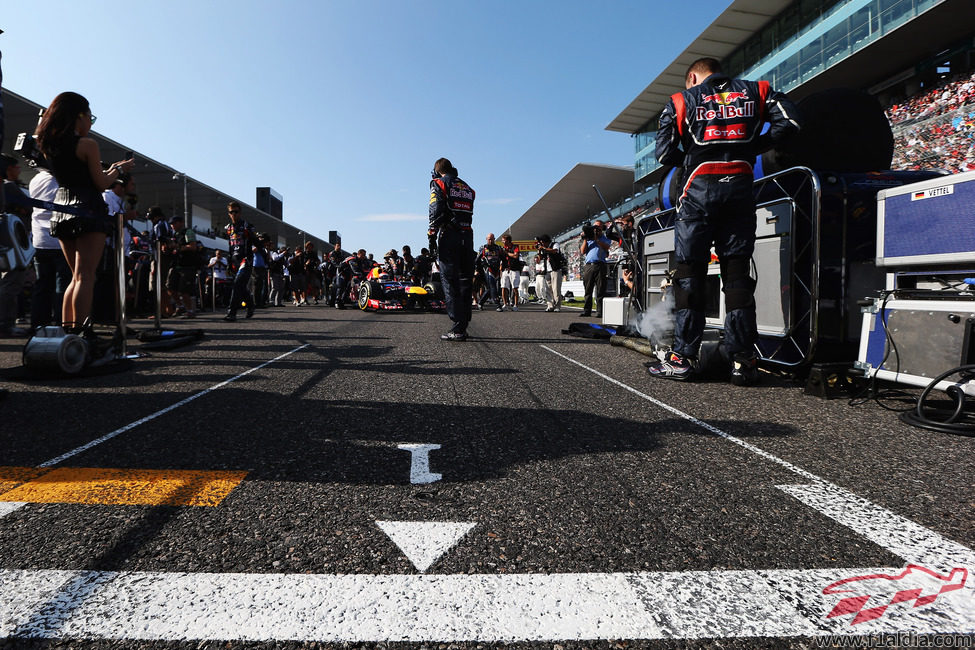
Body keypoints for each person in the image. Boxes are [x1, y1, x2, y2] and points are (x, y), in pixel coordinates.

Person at [651, 57, 800, 384]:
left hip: (697, 193)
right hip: (740, 190)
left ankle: (682, 359)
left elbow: (663, 154)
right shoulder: (758, 91)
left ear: (692, 77)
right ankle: (743, 362)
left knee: (690, 276)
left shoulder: (680, 100)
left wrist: (693, 158)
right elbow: (791, 122)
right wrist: (751, 147)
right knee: (737, 276)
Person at [35, 92, 134, 336]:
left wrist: (110, 170)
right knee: (86, 276)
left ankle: (68, 333)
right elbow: (100, 184)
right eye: (90, 117)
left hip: (61, 210)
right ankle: (82, 333)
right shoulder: (88, 144)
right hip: (88, 210)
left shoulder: (50, 146)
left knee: (75, 277)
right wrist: (116, 170)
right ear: (79, 116)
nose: (90, 122)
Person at [428, 157, 475, 341]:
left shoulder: (438, 182)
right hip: (468, 234)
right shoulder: (466, 187)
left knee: (449, 280)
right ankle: (463, 325)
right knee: (465, 281)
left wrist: (432, 233)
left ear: (438, 170)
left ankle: (457, 327)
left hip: (450, 235)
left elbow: (435, 208)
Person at [30, 167, 71, 329]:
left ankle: (38, 324)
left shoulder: (35, 180)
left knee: (42, 286)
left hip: (40, 240)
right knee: (61, 285)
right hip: (58, 239)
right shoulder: (58, 180)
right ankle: (62, 323)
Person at [0, 154, 30, 336]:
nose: (20, 170)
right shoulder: (9, 187)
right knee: (12, 282)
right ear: (8, 169)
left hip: (8, 240)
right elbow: (29, 208)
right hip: (13, 240)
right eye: (16, 167)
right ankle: (6, 323)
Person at [223, 200, 255, 321]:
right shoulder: (229, 228)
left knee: (237, 285)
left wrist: (250, 235)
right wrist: (229, 262)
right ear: (229, 214)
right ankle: (251, 304)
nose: (234, 214)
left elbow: (256, 241)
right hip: (235, 260)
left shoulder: (247, 225)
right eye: (231, 212)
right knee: (240, 286)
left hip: (246, 259)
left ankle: (231, 313)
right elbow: (230, 246)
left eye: (236, 212)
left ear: (240, 212)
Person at [168, 215, 200, 318]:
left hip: (187, 265)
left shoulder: (188, 232)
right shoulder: (175, 235)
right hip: (176, 264)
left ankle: (190, 311)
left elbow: (193, 246)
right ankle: (180, 306)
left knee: (184, 290)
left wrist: (178, 247)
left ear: (181, 223)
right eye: (171, 224)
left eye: (174, 223)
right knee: (170, 286)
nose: (172, 225)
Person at [579, 220, 611, 318]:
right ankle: (587, 310)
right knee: (588, 289)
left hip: (600, 264)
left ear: (602, 228)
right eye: (595, 226)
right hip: (589, 265)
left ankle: (600, 311)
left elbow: (607, 247)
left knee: (600, 289)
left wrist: (597, 239)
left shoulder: (604, 238)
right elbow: (582, 251)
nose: (596, 228)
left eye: (598, 227)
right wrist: (585, 238)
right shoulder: (589, 239)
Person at [536, 234, 563, 312]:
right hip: (547, 270)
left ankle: (557, 306)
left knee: (556, 289)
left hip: (555, 269)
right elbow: (540, 259)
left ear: (546, 241)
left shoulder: (555, 244)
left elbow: (555, 251)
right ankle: (550, 305)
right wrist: (539, 250)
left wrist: (544, 248)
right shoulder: (543, 248)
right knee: (548, 289)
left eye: (542, 242)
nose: (542, 244)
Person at [476, 233, 503, 311]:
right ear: (486, 239)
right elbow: (477, 260)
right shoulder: (483, 249)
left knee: (489, 289)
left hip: (497, 270)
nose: (490, 241)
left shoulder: (498, 248)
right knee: (493, 287)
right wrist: (479, 269)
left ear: (494, 239)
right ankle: (498, 305)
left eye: (492, 239)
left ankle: (480, 303)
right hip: (488, 270)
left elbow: (503, 258)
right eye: (489, 239)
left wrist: (504, 267)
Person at [499, 234, 522, 311]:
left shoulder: (515, 247)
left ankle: (515, 305)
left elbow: (516, 256)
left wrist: (507, 253)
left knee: (515, 288)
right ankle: (505, 304)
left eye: (503, 240)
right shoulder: (502, 248)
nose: (502, 242)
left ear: (508, 240)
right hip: (505, 269)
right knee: (503, 287)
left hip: (514, 269)